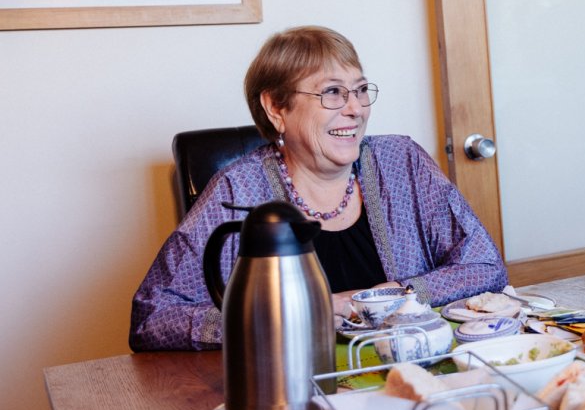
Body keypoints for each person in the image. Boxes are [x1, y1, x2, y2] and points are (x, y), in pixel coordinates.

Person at [131, 26, 507, 350]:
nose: (355, 108)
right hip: (292, 385)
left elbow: (485, 266)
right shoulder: (237, 190)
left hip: (413, 368)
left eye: (360, 90)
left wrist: (393, 295)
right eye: (332, 93)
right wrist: (302, 314)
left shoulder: (402, 161)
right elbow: (153, 318)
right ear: (276, 108)